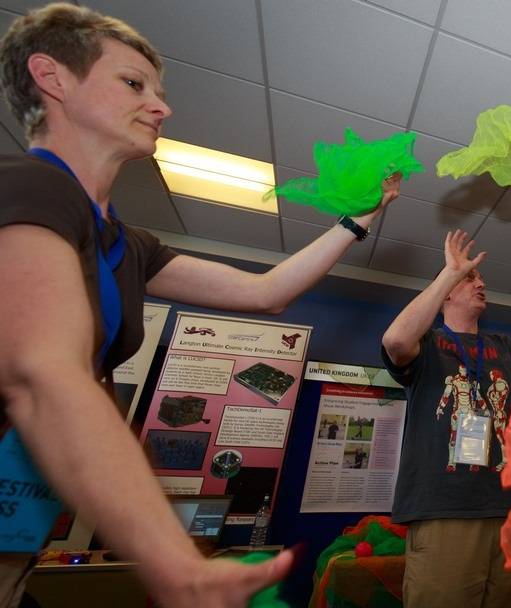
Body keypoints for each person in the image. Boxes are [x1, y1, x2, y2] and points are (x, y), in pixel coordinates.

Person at [0, 4, 401, 607]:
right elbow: (41, 377)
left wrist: (361, 219)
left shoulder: (127, 243)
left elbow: (265, 292)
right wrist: (179, 567)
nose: (162, 107)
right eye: (133, 84)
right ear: (53, 78)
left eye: (158, 91)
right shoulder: (31, 186)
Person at [381, 229, 511, 608]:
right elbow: (395, 343)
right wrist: (450, 272)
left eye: (479, 278)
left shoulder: (504, 347)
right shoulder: (427, 345)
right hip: (444, 510)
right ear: (447, 294)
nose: (482, 283)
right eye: (471, 279)